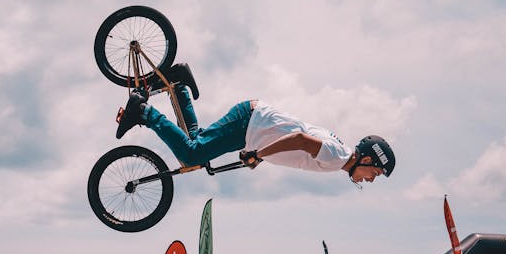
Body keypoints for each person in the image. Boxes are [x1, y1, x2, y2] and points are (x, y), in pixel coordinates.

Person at [115, 73, 396, 184]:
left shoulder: (340, 154)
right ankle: (145, 111)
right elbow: (298, 139)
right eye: (376, 173)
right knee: (191, 155)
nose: (371, 179)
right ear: (367, 159)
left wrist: (261, 155)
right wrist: (259, 154)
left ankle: (178, 86)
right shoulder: (337, 157)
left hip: (251, 123)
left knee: (195, 143)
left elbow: (292, 143)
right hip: (249, 125)